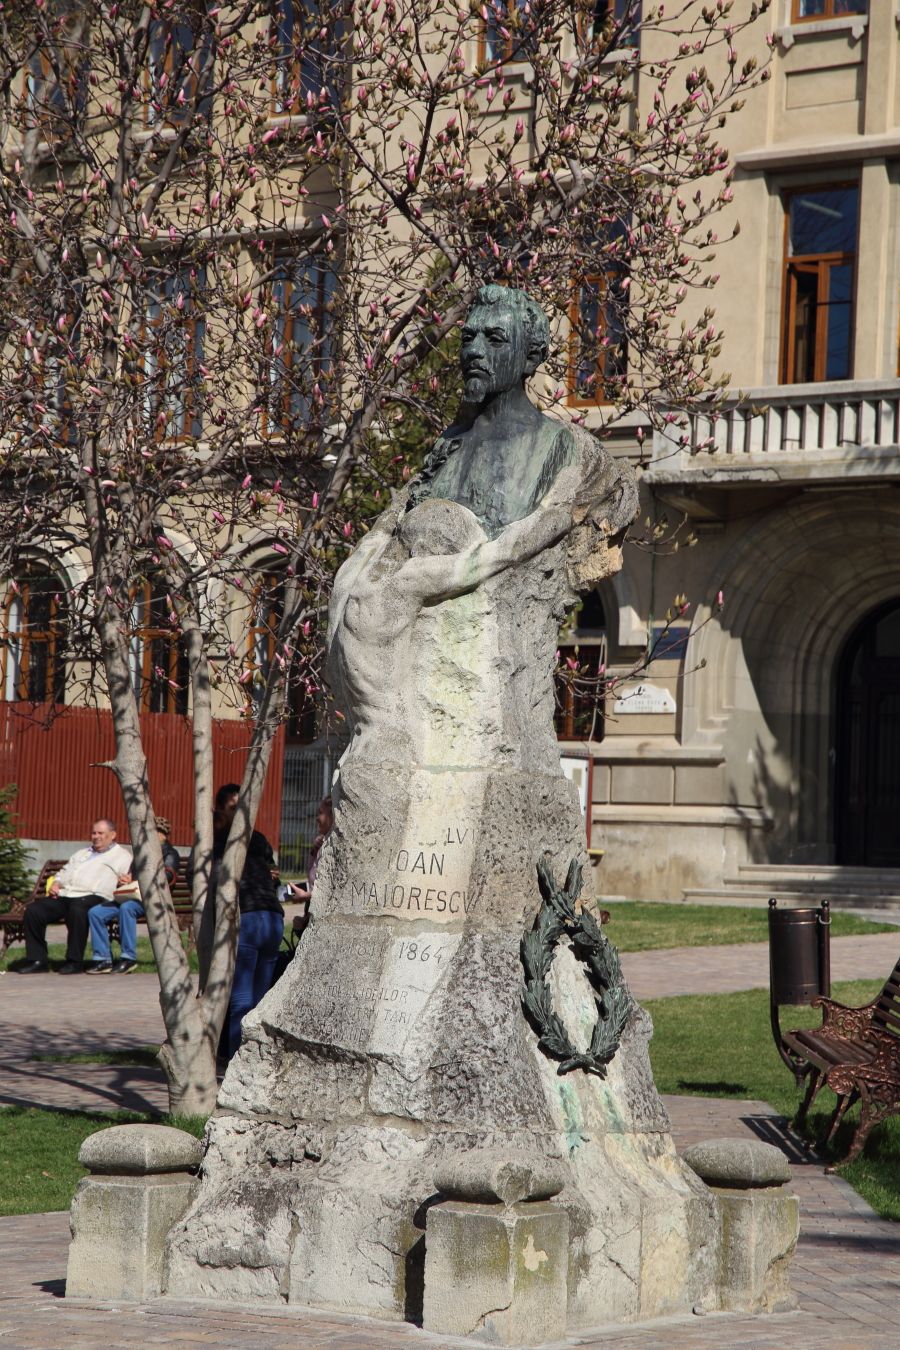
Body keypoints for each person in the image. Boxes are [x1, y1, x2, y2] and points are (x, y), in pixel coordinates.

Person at [206, 783, 284, 1061]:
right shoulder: (254, 838)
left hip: (251, 916)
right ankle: (254, 1061)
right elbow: (273, 875)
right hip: (272, 916)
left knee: (241, 998)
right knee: (259, 999)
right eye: (233, 807)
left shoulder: (222, 841)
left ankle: (236, 1060)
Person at [17, 819, 133, 974]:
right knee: (34, 911)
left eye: (101, 833)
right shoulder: (82, 853)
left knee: (78, 910)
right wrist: (56, 883)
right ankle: (37, 960)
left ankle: (74, 961)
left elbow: (127, 879)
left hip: (95, 895)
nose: (96, 836)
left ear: (113, 835)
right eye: (94, 833)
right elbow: (63, 872)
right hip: (67, 893)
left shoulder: (122, 856)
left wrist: (126, 880)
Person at [86, 816, 181, 974]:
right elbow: (132, 875)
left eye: (151, 833)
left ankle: (128, 958)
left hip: (154, 900)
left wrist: (141, 879)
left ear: (162, 834)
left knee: (127, 909)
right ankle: (102, 959)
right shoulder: (141, 853)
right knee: (96, 912)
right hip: (133, 895)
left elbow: (168, 878)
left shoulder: (170, 854)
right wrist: (126, 879)